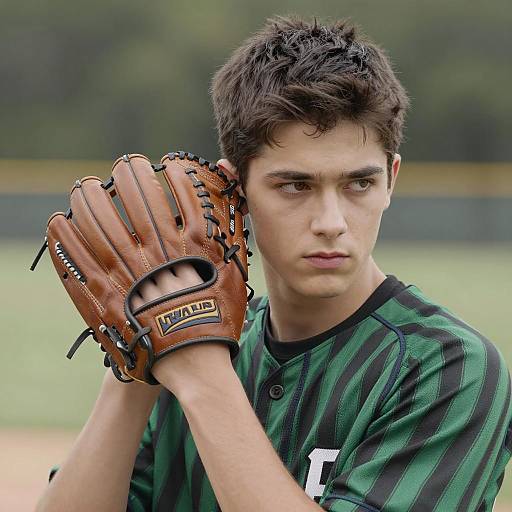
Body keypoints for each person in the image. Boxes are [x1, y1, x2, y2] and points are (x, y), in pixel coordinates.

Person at [36, 15, 512, 512]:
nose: (332, 221)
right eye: (295, 185)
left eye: (359, 184)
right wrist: (135, 365)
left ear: (391, 179)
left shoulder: (447, 369)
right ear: (233, 190)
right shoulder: (185, 342)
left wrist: (200, 375)